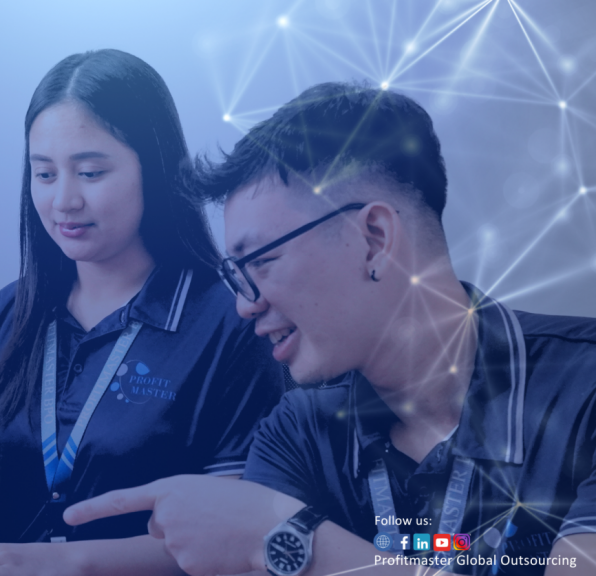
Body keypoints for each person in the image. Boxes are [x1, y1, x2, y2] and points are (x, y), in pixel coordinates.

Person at [65, 81, 596, 576]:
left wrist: (288, 540)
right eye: (234, 274)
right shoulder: (296, 431)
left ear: (374, 238)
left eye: (262, 261)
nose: (244, 305)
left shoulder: (585, 386)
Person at [0, 49, 284, 576]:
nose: (63, 202)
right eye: (45, 174)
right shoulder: (6, 314)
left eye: (91, 172)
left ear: (155, 168)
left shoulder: (230, 318)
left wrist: (67, 562)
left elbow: (235, 533)